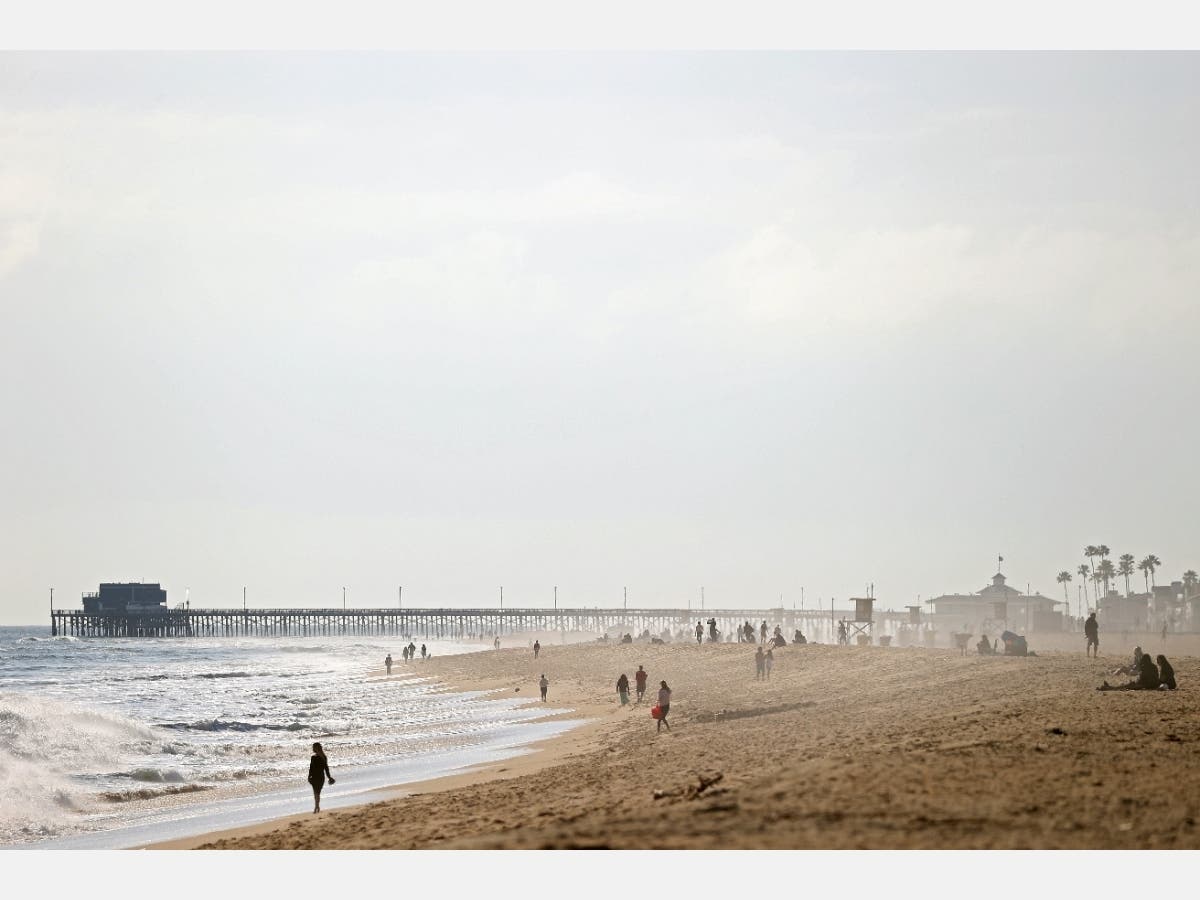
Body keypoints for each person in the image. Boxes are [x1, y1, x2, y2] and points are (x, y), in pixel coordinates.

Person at [307, 742, 335, 813]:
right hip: (319, 777)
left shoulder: (314, 757)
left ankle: (316, 807)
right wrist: (329, 777)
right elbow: (326, 769)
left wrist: (309, 776)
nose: (312, 748)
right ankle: (317, 806)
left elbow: (311, 768)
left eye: (313, 747)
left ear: (316, 748)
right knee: (317, 792)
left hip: (315, 777)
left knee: (316, 792)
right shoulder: (322, 757)